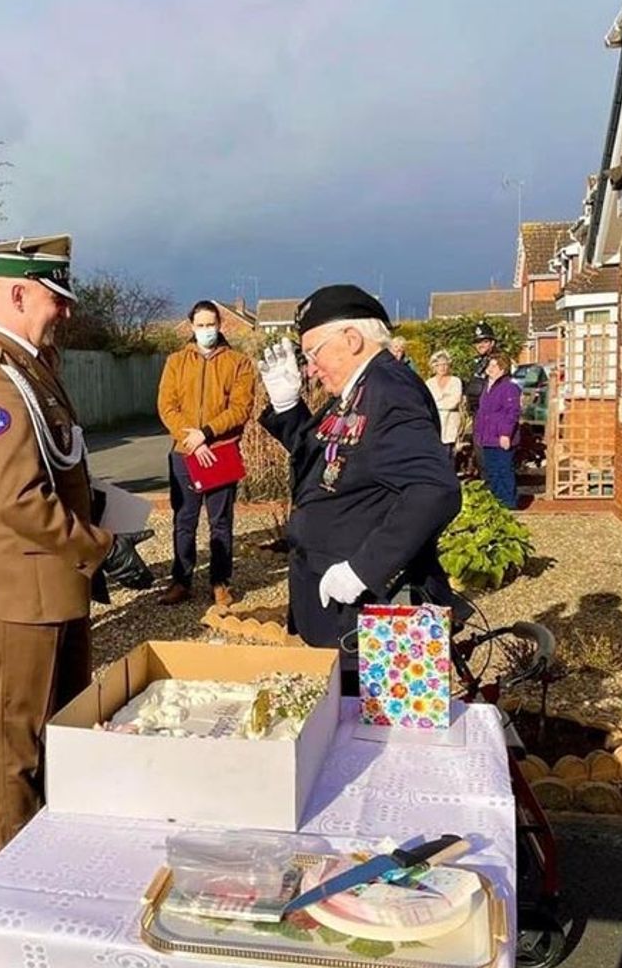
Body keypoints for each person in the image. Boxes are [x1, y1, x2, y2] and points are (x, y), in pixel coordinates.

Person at [0, 234, 121, 850]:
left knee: (61, 733)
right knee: (15, 745)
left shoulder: (32, 368)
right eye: (57, 298)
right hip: (21, 593)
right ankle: (14, 873)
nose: (67, 311)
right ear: (19, 293)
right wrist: (98, 545)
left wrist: (102, 515)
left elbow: (60, 468)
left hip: (53, 586)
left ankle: (51, 855)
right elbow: (17, 499)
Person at [257, 285, 462, 684]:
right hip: (344, 610)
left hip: (376, 610)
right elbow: (327, 461)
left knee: (379, 736)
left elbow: (434, 490)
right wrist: (287, 407)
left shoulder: (390, 390)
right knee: (347, 726)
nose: (310, 369)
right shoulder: (361, 390)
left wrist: (362, 570)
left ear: (351, 339)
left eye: (313, 353)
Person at [155, 300, 255, 607]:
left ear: (220, 325)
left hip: (220, 451)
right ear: (191, 327)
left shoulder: (239, 363)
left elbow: (240, 409)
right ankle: (181, 580)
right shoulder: (175, 361)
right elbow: (167, 406)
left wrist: (207, 434)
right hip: (184, 453)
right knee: (184, 520)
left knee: (220, 522)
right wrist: (192, 441)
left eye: (210, 324)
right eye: (200, 325)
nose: (206, 330)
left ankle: (220, 582)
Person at [474, 351, 522, 509]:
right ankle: (497, 502)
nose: (491, 368)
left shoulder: (509, 387)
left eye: (495, 365)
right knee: (492, 471)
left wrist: (505, 434)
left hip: (501, 437)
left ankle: (508, 503)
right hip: (487, 437)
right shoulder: (487, 387)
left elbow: (512, 413)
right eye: (490, 365)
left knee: (503, 470)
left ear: (503, 369)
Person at [463, 322, 497, 472]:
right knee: (481, 455)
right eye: (478, 342)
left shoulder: (498, 361)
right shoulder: (478, 362)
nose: (480, 345)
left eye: (484, 341)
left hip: (491, 414)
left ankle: (497, 493)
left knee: (491, 457)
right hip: (478, 413)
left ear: (492, 342)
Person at [425, 349, 464, 462]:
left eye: (445, 364)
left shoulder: (455, 381)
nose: (442, 367)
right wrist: (443, 400)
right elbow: (428, 402)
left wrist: (437, 402)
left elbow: (454, 402)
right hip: (435, 423)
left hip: (451, 424)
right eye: (439, 365)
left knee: (449, 455)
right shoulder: (429, 383)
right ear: (434, 366)